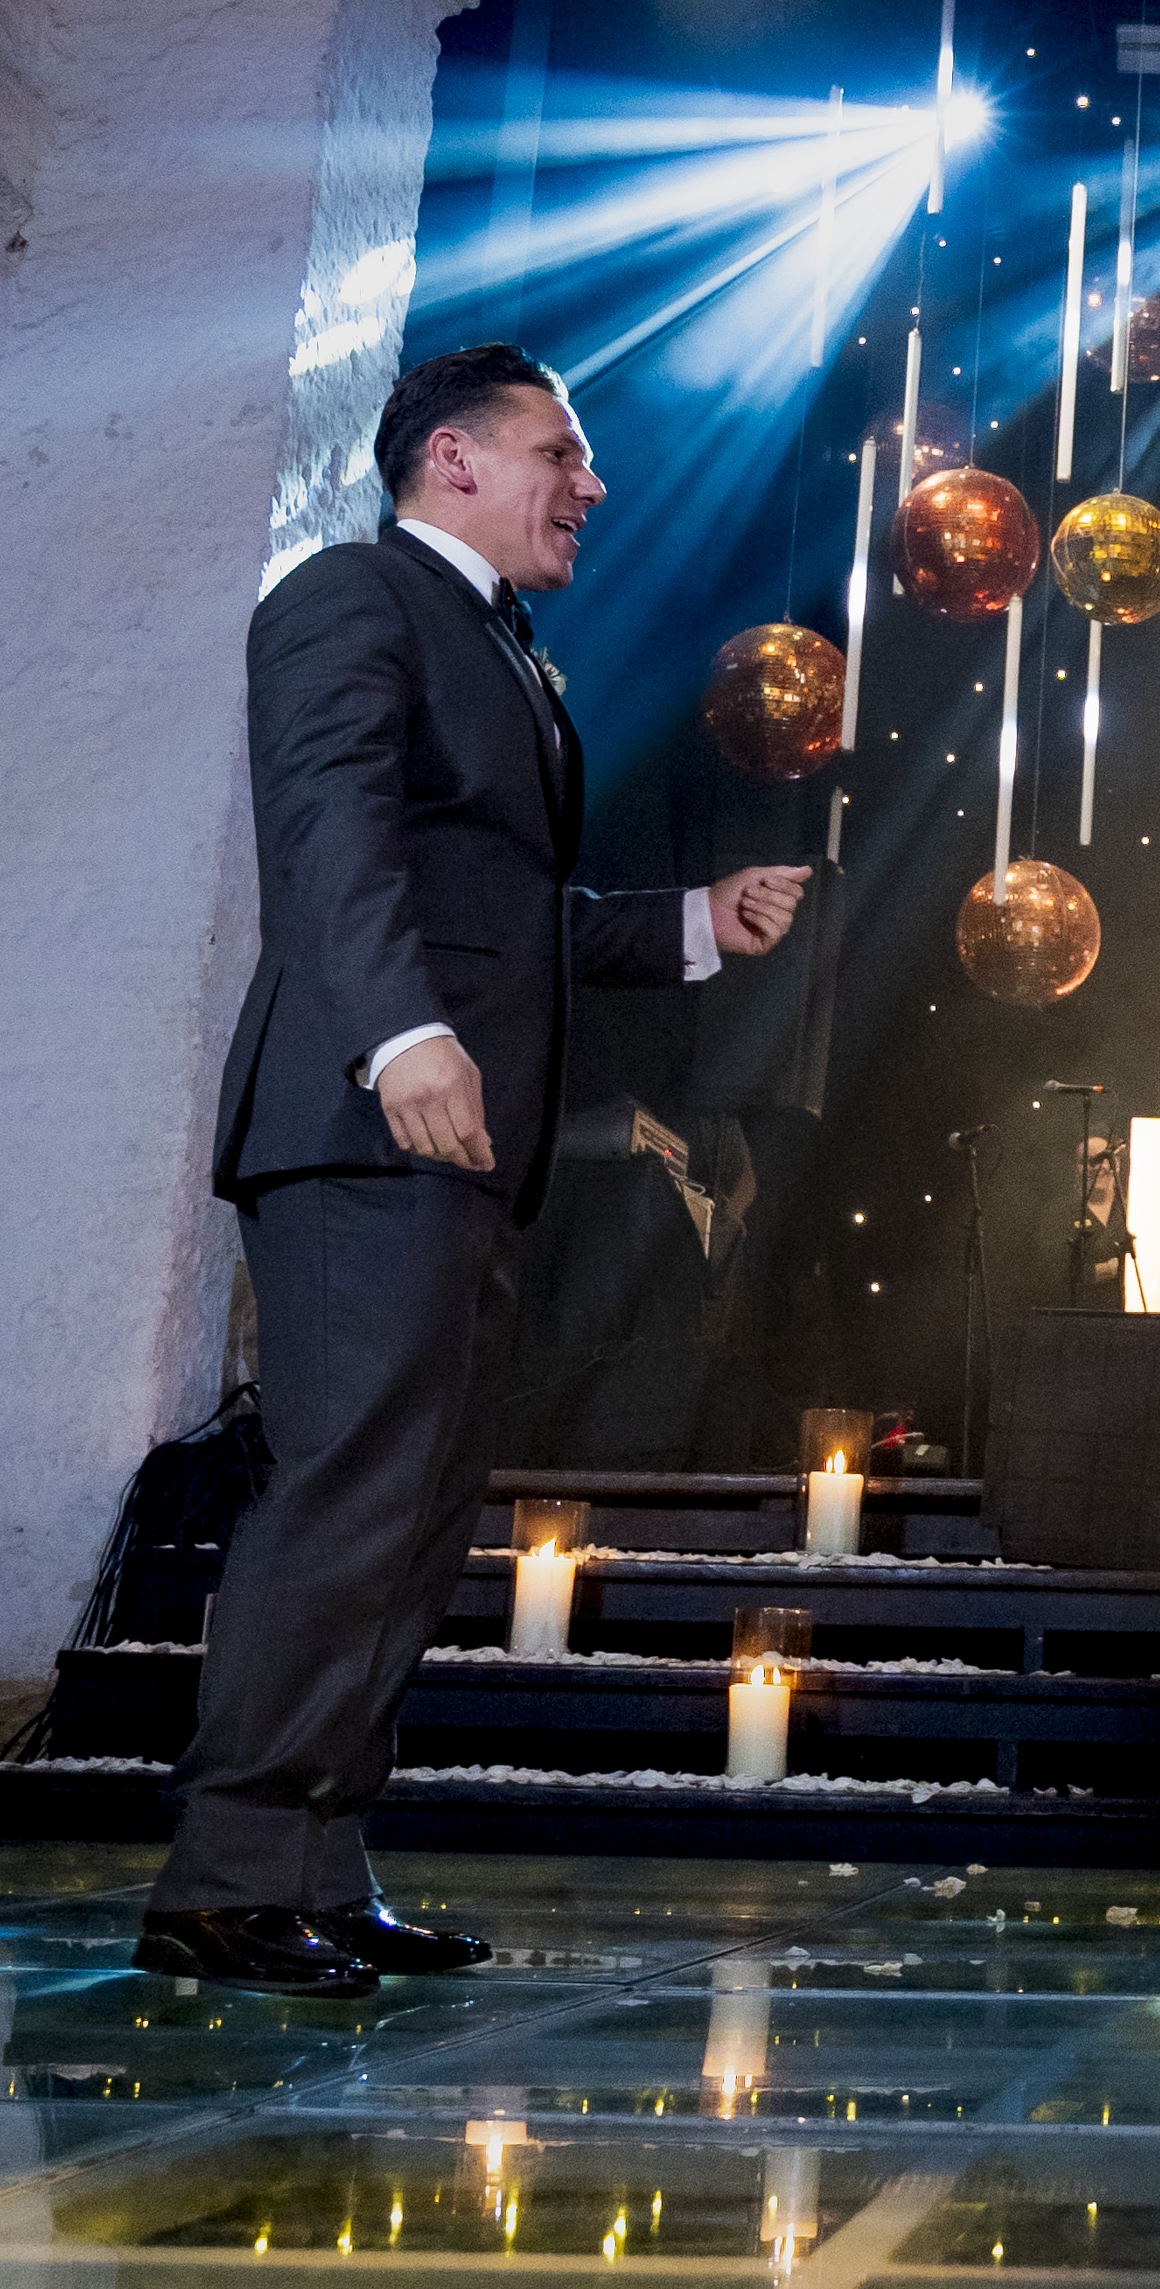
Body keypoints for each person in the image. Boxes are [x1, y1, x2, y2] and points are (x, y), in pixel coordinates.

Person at [139, 346, 811, 1993]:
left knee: (416, 1515)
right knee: (348, 1495)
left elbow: (499, 911)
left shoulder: (500, 646)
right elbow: (329, 837)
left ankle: (315, 1869)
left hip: (459, 1149)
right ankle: (223, 1882)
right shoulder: (351, 598)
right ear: (451, 457)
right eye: (559, 454)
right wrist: (397, 1035)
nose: (592, 485)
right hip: (369, 1128)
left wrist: (691, 923)